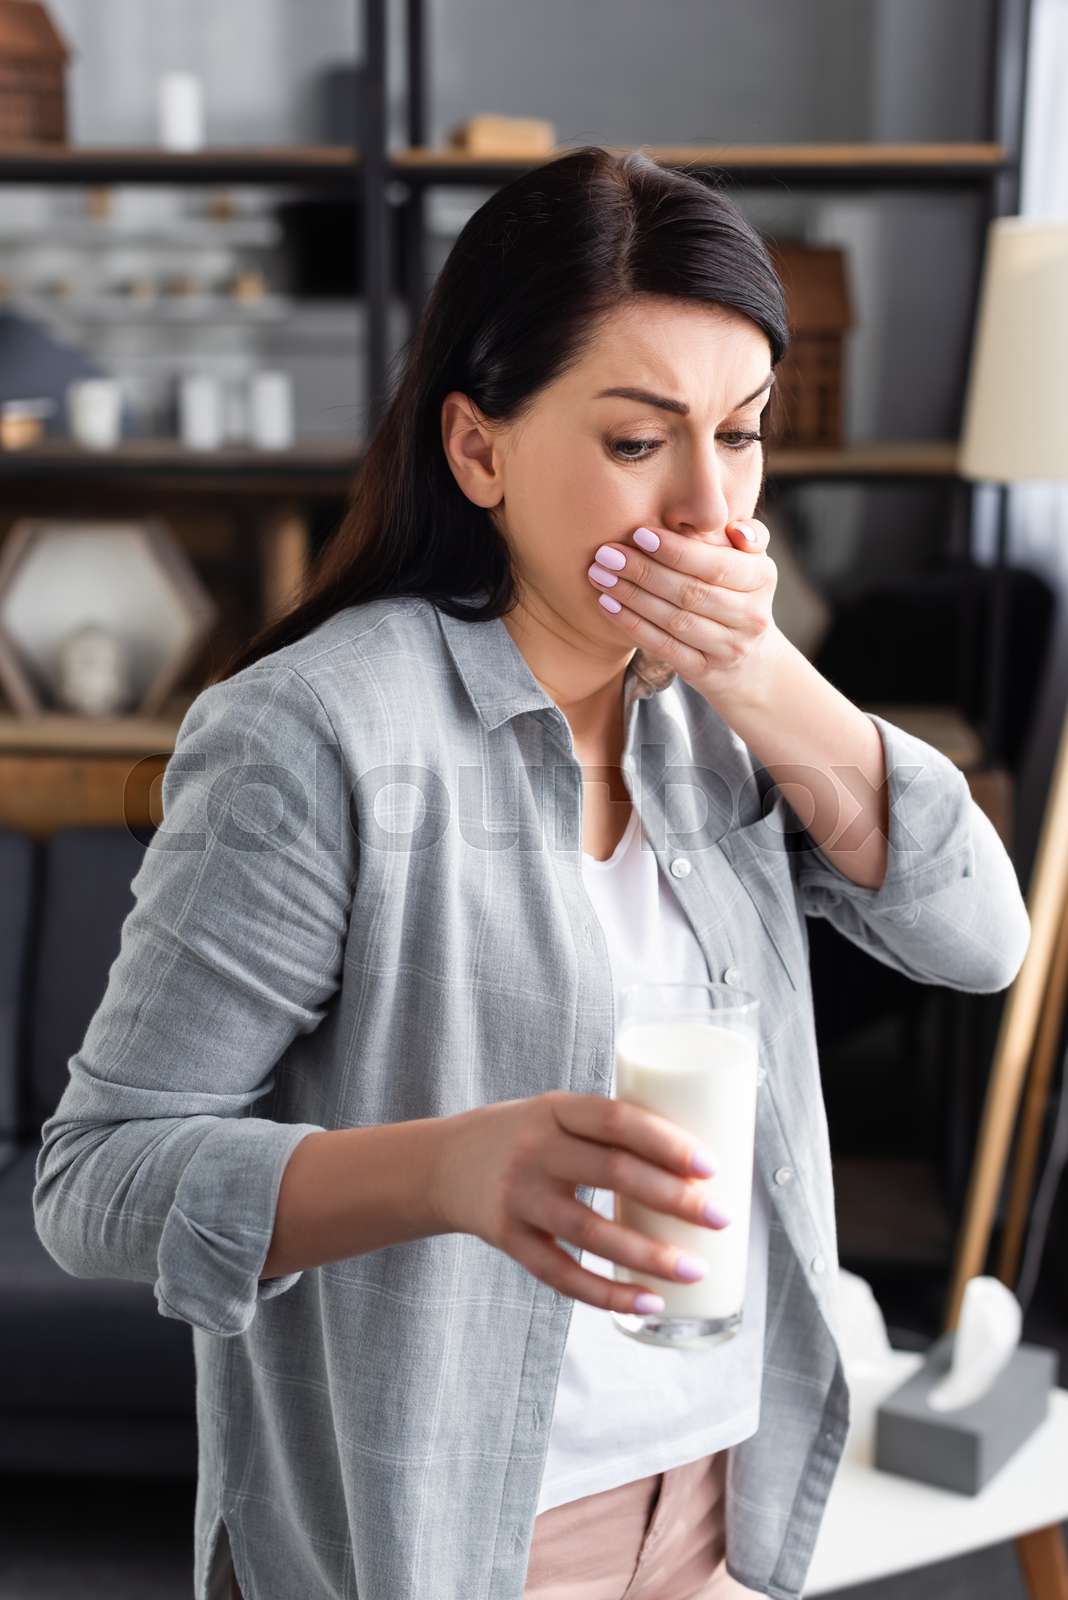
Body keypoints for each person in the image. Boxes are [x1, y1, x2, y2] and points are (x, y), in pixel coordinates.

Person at [33, 145, 1031, 1600]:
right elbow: (96, 1179)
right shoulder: (317, 733)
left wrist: (765, 674)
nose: (708, 506)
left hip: (714, 1501)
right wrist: (447, 1170)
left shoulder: (720, 719)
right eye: (637, 442)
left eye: (741, 434)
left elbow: (981, 939)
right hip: (449, 1538)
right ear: (478, 450)